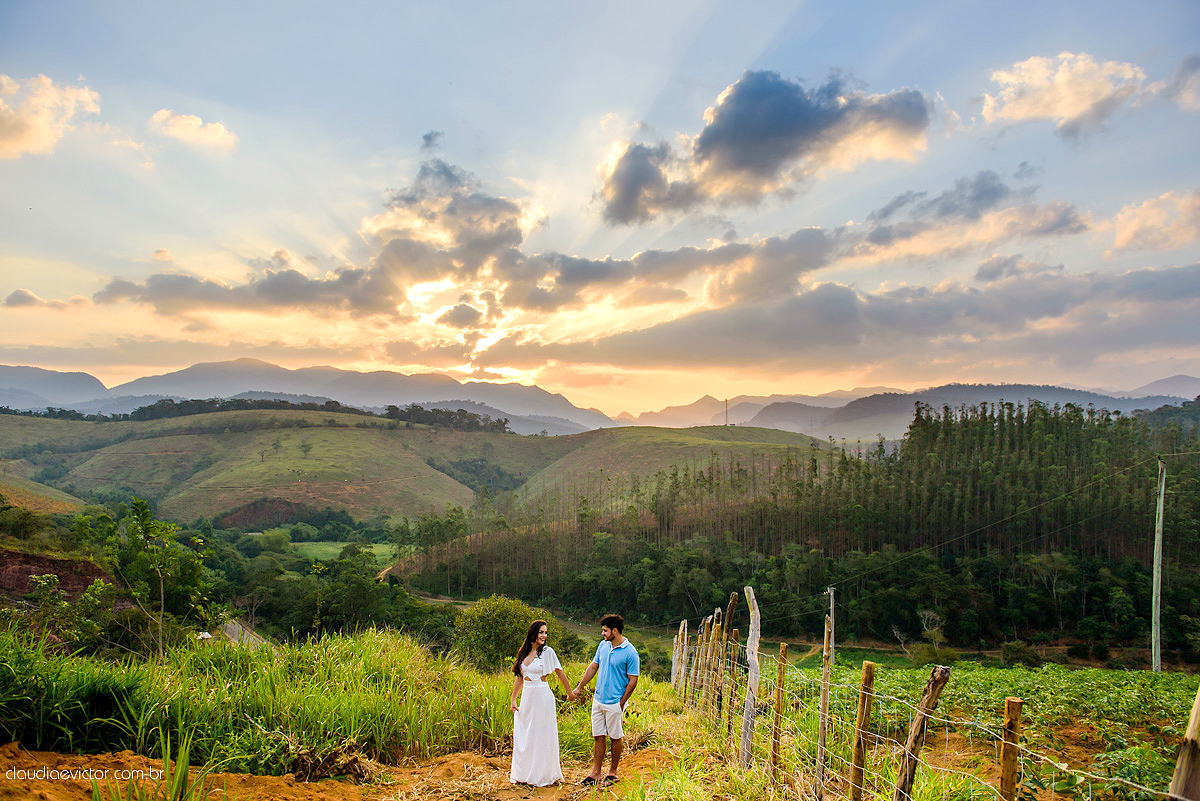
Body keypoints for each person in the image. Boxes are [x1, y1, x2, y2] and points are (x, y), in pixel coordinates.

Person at [573, 613, 639, 787]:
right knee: (598, 736)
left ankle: (612, 772)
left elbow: (633, 680)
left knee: (615, 737)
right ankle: (595, 773)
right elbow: (593, 667)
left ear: (614, 631)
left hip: (614, 702)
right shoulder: (603, 646)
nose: (602, 634)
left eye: (605, 630)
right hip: (598, 700)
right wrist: (579, 688)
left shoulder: (630, 652)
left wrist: (622, 702)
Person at [509, 619, 575, 786]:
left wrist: (569, 693)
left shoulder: (548, 652)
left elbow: (560, 673)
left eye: (545, 633)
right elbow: (519, 678)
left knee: (541, 734)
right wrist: (513, 699)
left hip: (542, 696)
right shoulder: (523, 653)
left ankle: (542, 775)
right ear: (533, 633)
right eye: (541, 632)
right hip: (528, 696)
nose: (544, 636)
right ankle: (525, 773)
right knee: (527, 734)